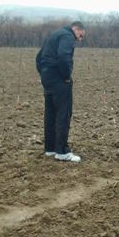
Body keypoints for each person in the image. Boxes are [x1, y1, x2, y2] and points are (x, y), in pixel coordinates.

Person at [36, 21, 86, 163]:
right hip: (59, 79)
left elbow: (38, 58)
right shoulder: (67, 36)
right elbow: (64, 56)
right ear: (76, 30)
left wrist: (44, 74)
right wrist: (66, 76)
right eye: (80, 36)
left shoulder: (54, 35)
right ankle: (62, 151)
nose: (79, 39)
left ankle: (50, 148)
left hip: (47, 78)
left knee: (50, 113)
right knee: (63, 113)